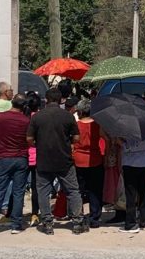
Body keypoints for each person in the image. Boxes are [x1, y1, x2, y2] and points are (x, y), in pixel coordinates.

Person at [27, 88, 88, 235]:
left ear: (46, 100)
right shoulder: (68, 116)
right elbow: (77, 138)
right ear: (61, 100)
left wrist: (39, 145)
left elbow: (29, 139)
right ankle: (77, 222)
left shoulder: (37, 117)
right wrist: (68, 144)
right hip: (64, 159)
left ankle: (47, 223)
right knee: (73, 190)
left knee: (43, 192)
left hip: (44, 160)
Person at [0, 95, 31, 235]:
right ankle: (16, 224)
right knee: (18, 192)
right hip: (21, 157)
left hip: (4, 157)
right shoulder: (26, 121)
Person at [73, 99, 106, 228]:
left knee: (78, 190)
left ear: (80, 111)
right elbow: (104, 138)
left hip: (78, 159)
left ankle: (79, 215)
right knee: (95, 190)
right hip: (95, 159)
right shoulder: (97, 125)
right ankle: (94, 217)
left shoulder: (76, 125)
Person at [120, 136, 145, 234]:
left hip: (130, 163)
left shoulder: (127, 131)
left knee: (131, 194)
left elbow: (127, 148)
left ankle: (131, 223)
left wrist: (121, 142)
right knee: (144, 192)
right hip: (144, 162)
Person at [25, 91, 42, 227]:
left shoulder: (23, 118)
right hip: (37, 156)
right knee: (36, 187)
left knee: (18, 186)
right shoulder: (40, 118)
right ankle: (35, 213)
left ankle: (12, 213)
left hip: (23, 155)